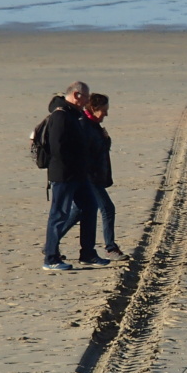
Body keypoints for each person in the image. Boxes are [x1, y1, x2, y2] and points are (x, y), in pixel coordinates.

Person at [42, 81, 109, 271]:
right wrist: (75, 163)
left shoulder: (74, 114)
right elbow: (58, 148)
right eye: (86, 97)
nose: (88, 101)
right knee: (59, 214)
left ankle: (87, 253)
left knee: (89, 206)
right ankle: (51, 258)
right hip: (64, 175)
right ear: (77, 95)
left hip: (79, 174)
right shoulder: (61, 115)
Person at [57, 93, 127, 261]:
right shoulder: (84, 125)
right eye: (104, 110)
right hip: (87, 177)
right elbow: (85, 154)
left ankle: (51, 243)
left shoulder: (93, 125)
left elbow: (99, 150)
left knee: (78, 211)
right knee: (107, 208)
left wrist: (106, 140)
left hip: (92, 176)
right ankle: (110, 248)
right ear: (94, 109)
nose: (106, 114)